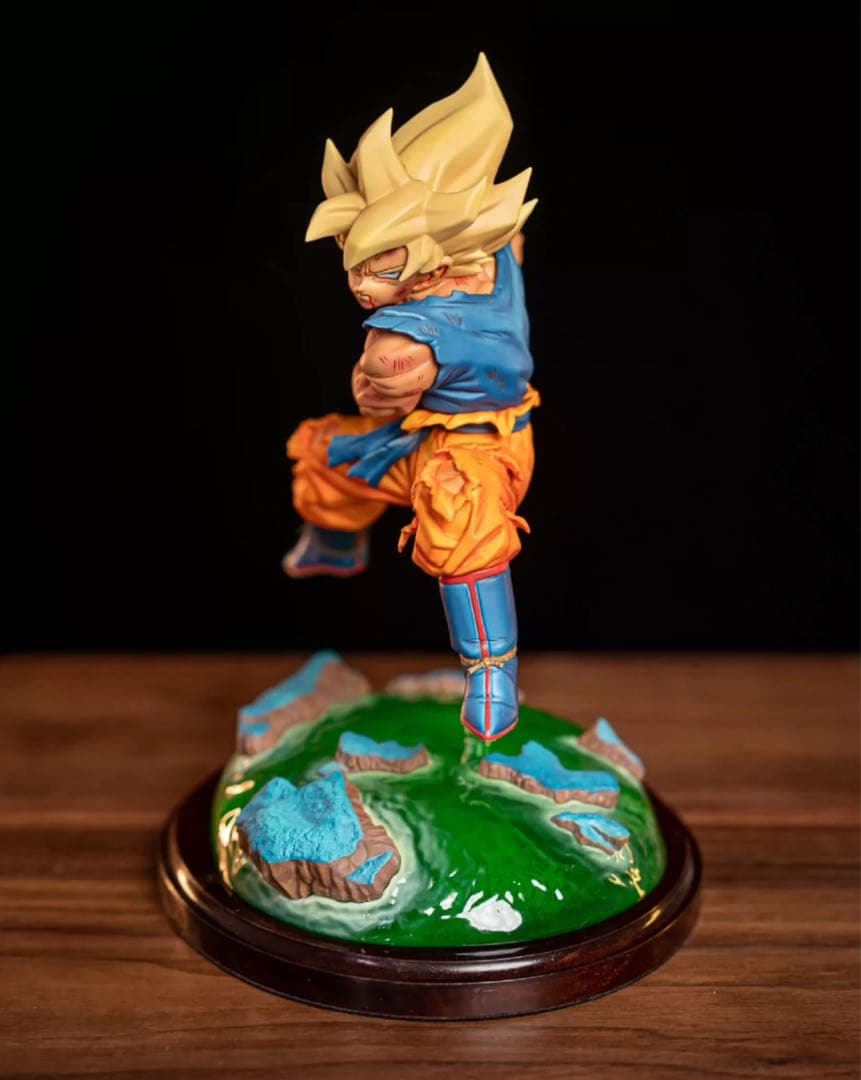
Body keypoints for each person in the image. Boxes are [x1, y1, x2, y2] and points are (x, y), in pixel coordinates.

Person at [283, 52, 539, 742]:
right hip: (418, 440)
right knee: (324, 450)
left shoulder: (404, 336)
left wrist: (382, 380)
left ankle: (492, 673)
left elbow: (385, 382)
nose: (361, 284)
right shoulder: (496, 248)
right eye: (354, 257)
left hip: (478, 453)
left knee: (455, 510)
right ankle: (336, 543)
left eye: (383, 263)